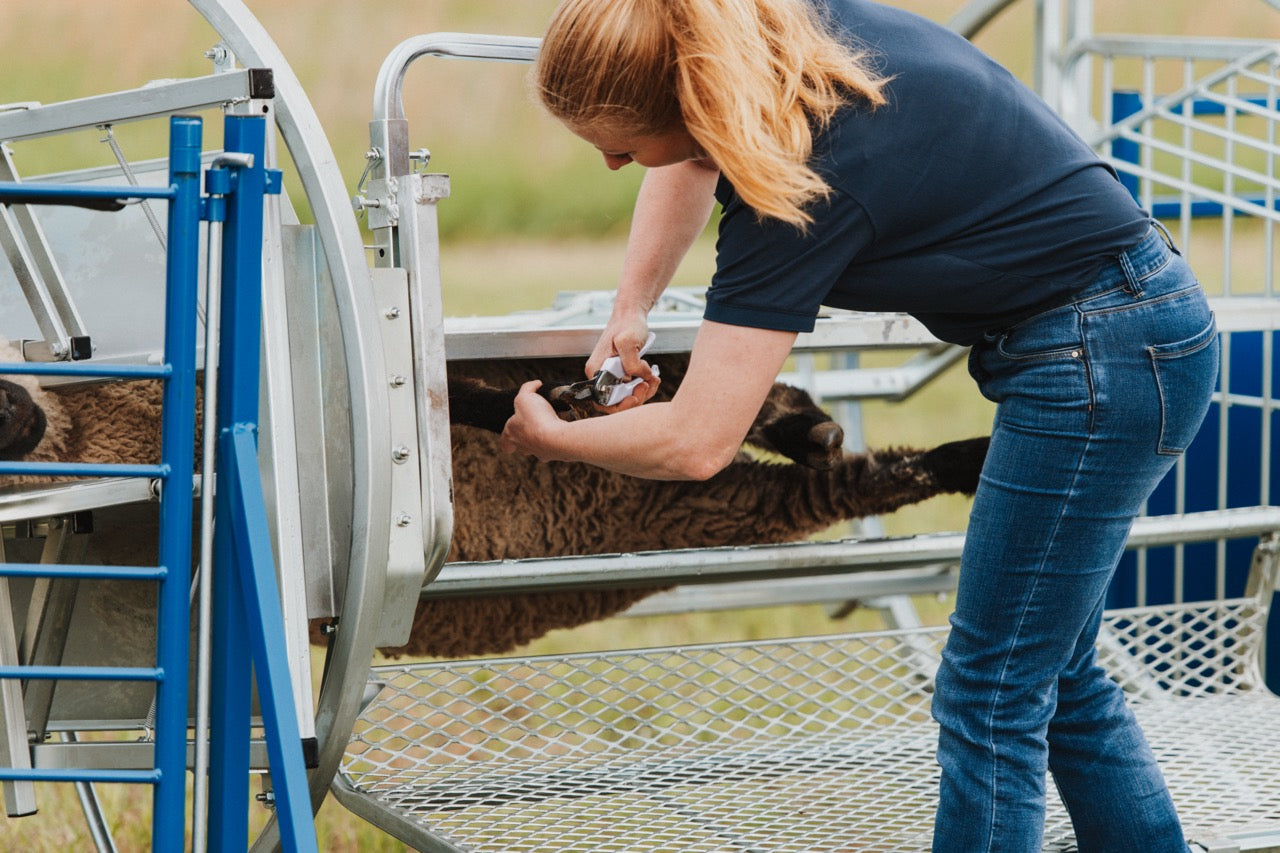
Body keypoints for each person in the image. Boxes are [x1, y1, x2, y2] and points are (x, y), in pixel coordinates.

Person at [500, 0, 1218, 849]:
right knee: (1050, 670)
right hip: (1133, 328)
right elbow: (683, 156)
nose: (613, 163)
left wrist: (552, 441)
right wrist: (632, 304)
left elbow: (697, 442)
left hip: (1102, 358)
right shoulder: (782, 36)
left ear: (692, 100)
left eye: (617, 143)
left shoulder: (807, 175)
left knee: (990, 692)